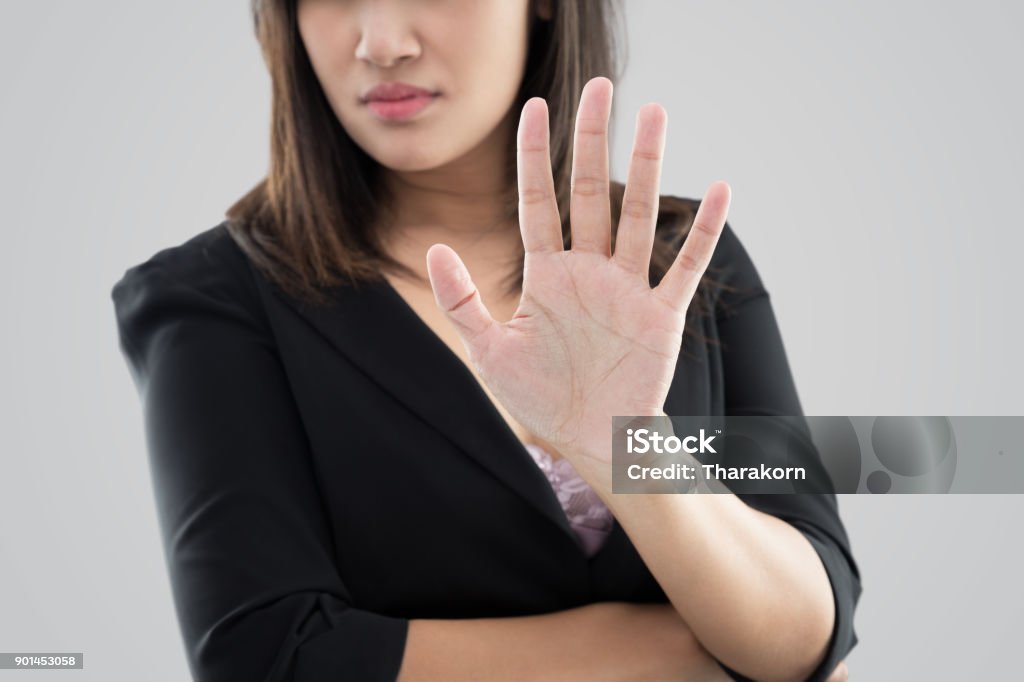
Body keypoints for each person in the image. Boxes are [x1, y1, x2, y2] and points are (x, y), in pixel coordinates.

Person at [110, 0, 860, 680]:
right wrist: (686, 654)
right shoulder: (213, 299)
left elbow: (807, 629)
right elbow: (271, 657)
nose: (382, 42)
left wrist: (628, 451)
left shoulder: (683, 262)